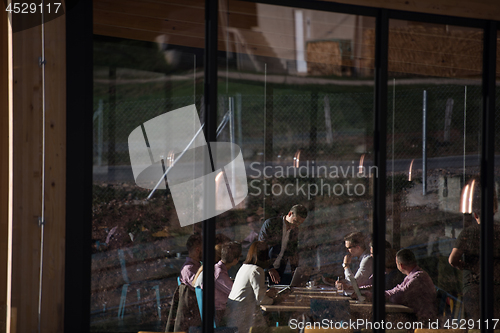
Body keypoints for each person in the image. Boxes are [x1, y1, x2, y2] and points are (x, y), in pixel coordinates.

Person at [448, 177, 500, 322]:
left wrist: (464, 266)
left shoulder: (468, 233)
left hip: (474, 287)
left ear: (475, 215)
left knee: (475, 323)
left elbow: (452, 259)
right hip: (497, 285)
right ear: (493, 213)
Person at [224, 241, 278, 333]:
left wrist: (266, 294)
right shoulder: (256, 270)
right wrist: (276, 299)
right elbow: (261, 300)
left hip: (233, 316)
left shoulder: (244, 267)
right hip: (244, 319)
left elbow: (249, 293)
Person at [258, 204, 308, 284]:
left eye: (300, 223)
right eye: (295, 221)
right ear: (289, 214)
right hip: (263, 268)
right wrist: (270, 268)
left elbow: (293, 251)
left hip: (280, 269)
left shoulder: (294, 230)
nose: (297, 225)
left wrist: (294, 271)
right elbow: (261, 248)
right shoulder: (271, 224)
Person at [385, 249, 437, 323]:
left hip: (423, 321)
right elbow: (397, 289)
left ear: (401, 265)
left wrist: (386, 297)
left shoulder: (418, 278)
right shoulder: (412, 276)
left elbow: (397, 298)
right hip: (415, 317)